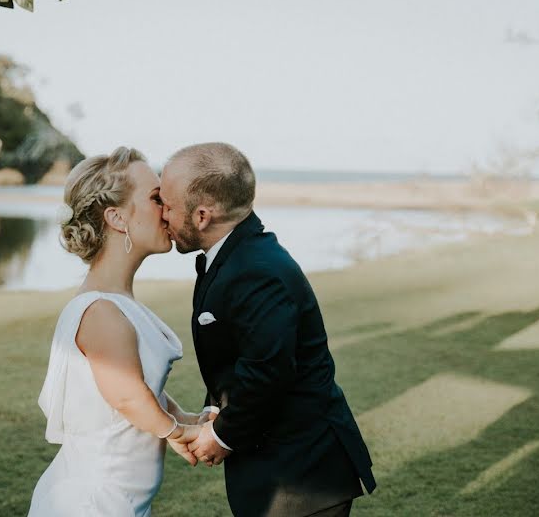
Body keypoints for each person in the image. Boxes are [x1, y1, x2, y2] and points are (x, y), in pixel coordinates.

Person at [158, 142, 377, 517]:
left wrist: (222, 434)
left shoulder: (258, 271)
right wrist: (215, 407)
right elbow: (239, 353)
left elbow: (268, 369)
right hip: (278, 467)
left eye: (168, 205)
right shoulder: (233, 256)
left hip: (301, 475)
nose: (161, 215)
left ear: (202, 216)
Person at [29, 146, 209, 517]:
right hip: (91, 503)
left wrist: (188, 417)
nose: (168, 208)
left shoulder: (117, 303)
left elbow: (145, 386)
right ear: (116, 217)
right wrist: (176, 432)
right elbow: (128, 397)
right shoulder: (101, 312)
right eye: (156, 197)